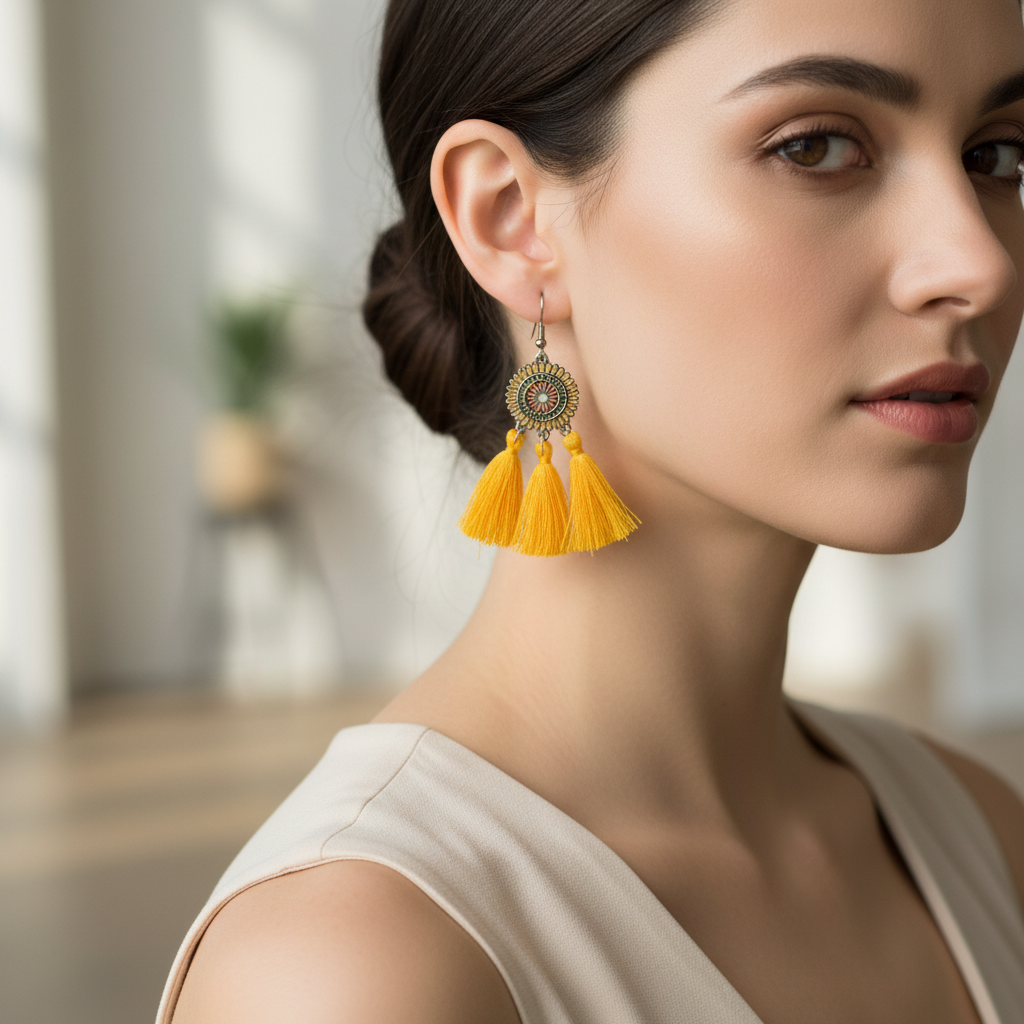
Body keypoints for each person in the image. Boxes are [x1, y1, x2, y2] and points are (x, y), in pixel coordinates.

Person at [162, 0, 1024, 1020]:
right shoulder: (351, 967)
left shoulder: (980, 832)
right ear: (509, 218)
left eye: (997, 155)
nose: (978, 263)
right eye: (818, 145)